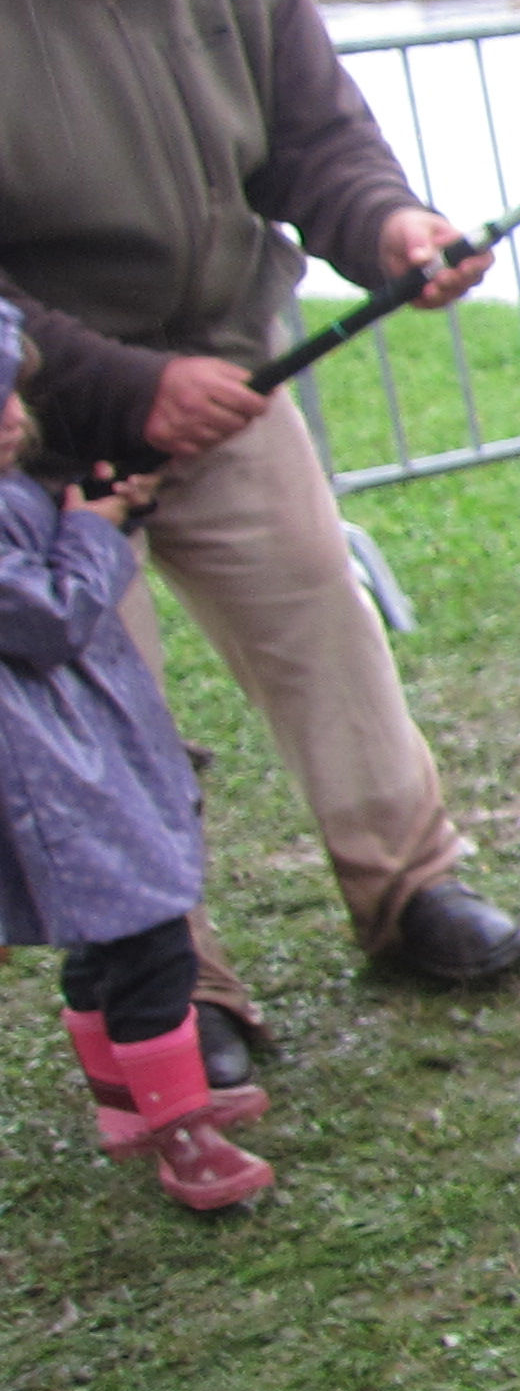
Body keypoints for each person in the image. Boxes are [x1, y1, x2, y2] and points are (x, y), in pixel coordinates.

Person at [0, 0, 520, 1063]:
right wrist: (123, 385)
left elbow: (315, 139)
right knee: (100, 711)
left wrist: (389, 226)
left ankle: (409, 886)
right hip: (30, 435)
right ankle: (175, 983)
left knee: (322, 622)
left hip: (232, 370)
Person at [0, 309, 275, 1211]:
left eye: (10, 395)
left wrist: (90, 504)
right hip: (54, 772)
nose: (12, 418)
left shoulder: (9, 486)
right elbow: (49, 616)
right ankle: (184, 1135)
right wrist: (95, 533)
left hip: (73, 754)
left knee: (104, 935)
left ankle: (129, 1101)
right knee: (152, 933)